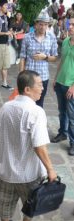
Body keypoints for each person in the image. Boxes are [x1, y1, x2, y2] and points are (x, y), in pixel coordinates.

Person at [0, 70, 57, 221]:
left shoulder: (5, 107)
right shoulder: (36, 112)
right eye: (39, 85)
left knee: (4, 202)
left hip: (7, 169)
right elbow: (39, 146)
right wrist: (50, 169)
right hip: (29, 173)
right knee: (31, 202)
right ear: (27, 89)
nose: (42, 88)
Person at [20, 11, 58, 107]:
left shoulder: (52, 38)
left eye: (46, 25)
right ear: (36, 24)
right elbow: (22, 57)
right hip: (28, 77)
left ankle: (37, 121)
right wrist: (21, 75)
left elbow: (55, 58)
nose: (43, 27)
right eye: (41, 24)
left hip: (43, 77)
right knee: (26, 103)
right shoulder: (27, 37)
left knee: (39, 103)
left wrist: (45, 57)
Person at [51, 18, 74, 156]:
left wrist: (73, 86)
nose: (70, 27)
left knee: (72, 116)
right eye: (69, 24)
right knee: (62, 111)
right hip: (60, 82)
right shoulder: (65, 41)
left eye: (73, 25)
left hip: (71, 85)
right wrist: (55, 78)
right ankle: (62, 133)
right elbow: (61, 61)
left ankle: (73, 142)